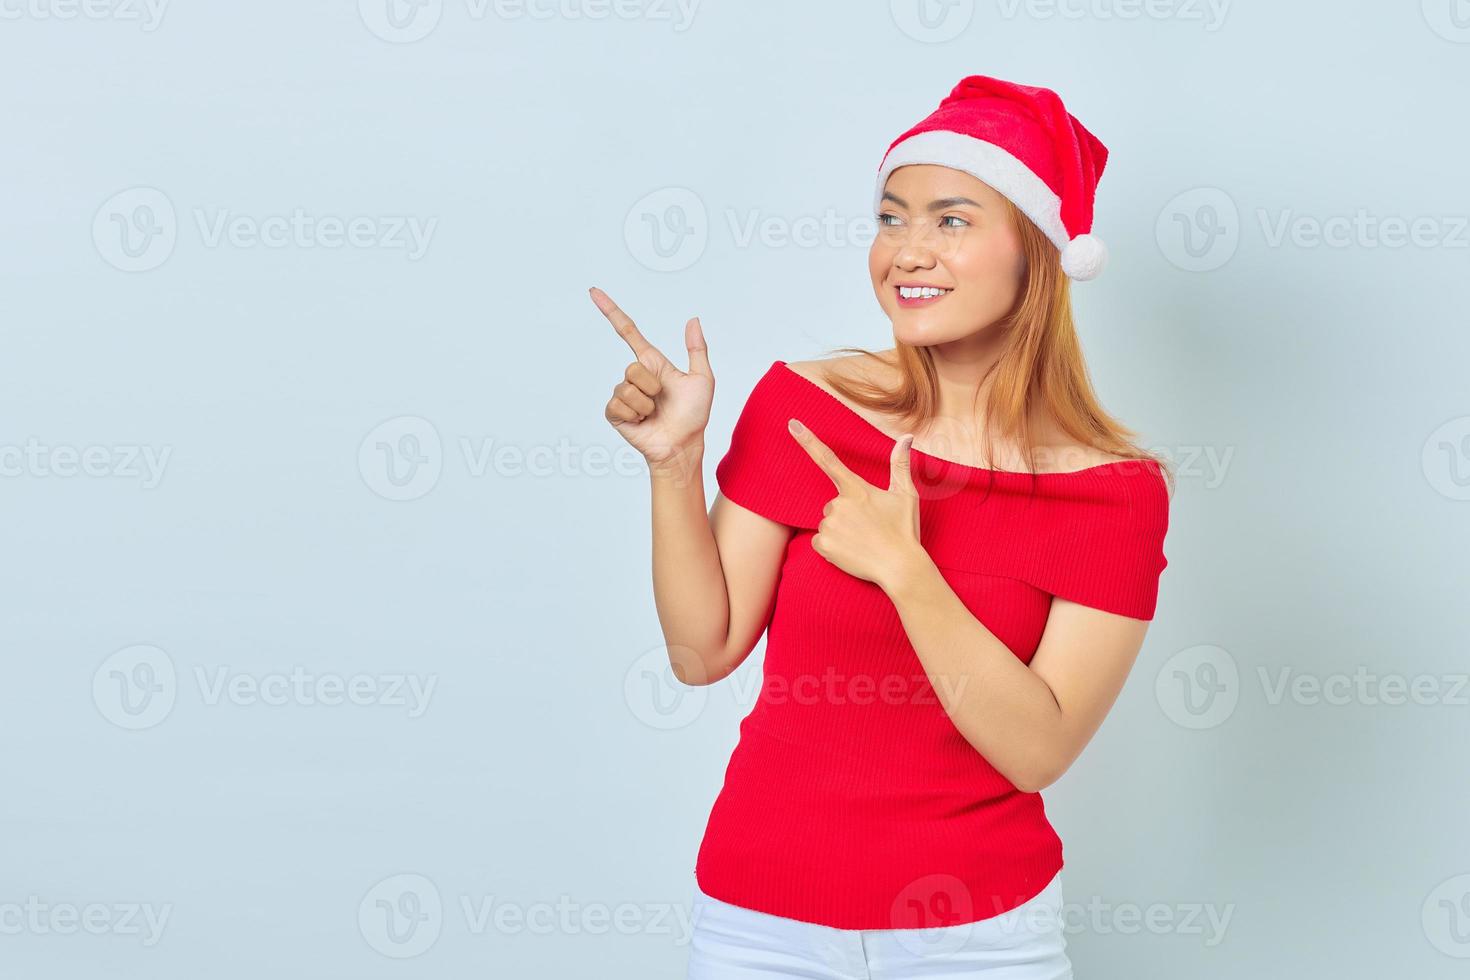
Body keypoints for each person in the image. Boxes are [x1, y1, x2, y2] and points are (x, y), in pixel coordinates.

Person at [591, 73, 1172, 979]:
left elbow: (1036, 751)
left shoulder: (1114, 494)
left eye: (951, 220)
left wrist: (907, 571)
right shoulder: (803, 407)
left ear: (1037, 253)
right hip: (758, 923)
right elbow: (700, 653)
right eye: (891, 217)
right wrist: (675, 463)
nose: (907, 251)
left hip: (979, 940)